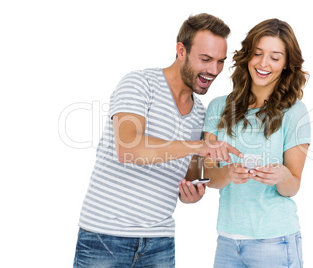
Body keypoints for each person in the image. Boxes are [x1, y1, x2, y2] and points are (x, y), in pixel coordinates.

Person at [73, 13, 240, 268]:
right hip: (105, 238)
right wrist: (197, 145)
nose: (214, 70)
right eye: (205, 59)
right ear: (181, 51)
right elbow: (129, 149)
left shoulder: (200, 113)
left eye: (220, 61)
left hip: (160, 243)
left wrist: (193, 193)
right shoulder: (140, 84)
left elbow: (190, 172)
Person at [203, 18, 311, 268]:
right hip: (228, 242)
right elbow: (209, 175)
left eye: (275, 57)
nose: (264, 64)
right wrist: (228, 173)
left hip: (275, 241)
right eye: (258, 54)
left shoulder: (295, 112)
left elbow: (292, 185)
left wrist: (282, 175)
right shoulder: (218, 107)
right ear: (247, 56)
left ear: (286, 64)